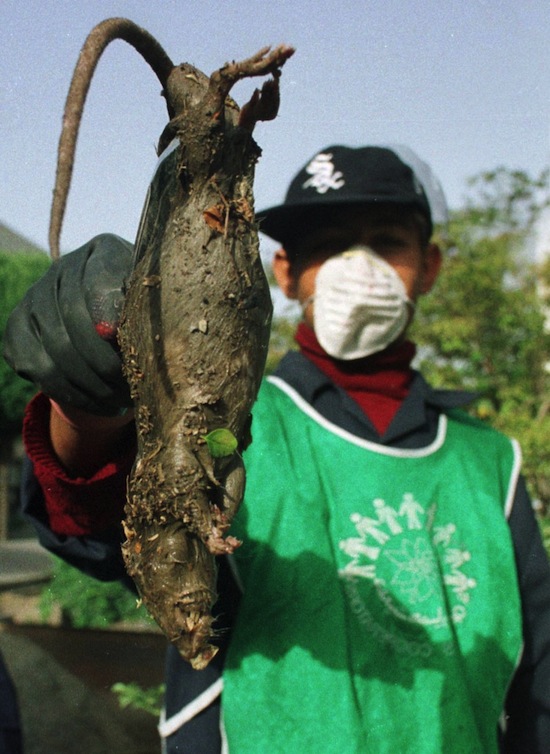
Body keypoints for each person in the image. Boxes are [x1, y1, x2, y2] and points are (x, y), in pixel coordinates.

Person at [4, 144, 550, 753]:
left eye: (387, 240)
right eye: (328, 245)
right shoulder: (229, 424)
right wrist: (88, 405)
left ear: (430, 266)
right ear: (283, 271)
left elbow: (539, 683)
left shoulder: (490, 462)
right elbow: (97, 526)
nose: (358, 266)